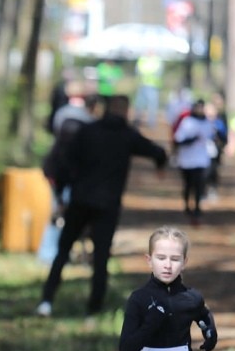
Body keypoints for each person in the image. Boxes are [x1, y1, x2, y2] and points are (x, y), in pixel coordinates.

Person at [36, 95, 167, 318]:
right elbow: (157, 152)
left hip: (80, 201)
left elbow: (66, 162)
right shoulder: (127, 135)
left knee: (63, 251)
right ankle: (94, 309)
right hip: (107, 206)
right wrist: (160, 165)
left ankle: (46, 301)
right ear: (126, 111)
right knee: (101, 257)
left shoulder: (87, 131)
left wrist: (62, 194)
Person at [172, 98, 218, 225]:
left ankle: (197, 208)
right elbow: (178, 140)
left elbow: (213, 137)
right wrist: (192, 140)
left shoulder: (208, 123)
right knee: (188, 185)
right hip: (187, 161)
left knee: (199, 185)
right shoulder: (187, 122)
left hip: (201, 160)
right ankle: (187, 206)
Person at [134, 52, 164, 126]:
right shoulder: (142, 59)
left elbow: (157, 72)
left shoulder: (157, 60)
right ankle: (137, 120)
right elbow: (138, 70)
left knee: (152, 106)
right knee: (139, 105)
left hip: (153, 86)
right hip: (142, 85)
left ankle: (151, 123)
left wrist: (146, 72)